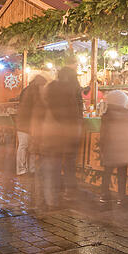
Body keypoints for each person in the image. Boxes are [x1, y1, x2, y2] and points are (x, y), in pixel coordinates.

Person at [42, 66, 84, 207]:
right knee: (69, 163)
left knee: (55, 164)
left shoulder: (51, 87)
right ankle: (68, 192)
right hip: (70, 131)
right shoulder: (73, 89)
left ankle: (52, 196)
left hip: (54, 132)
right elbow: (76, 112)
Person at [99, 90, 128, 204]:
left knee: (107, 171)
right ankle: (121, 197)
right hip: (122, 148)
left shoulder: (105, 116)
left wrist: (102, 148)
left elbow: (103, 134)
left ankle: (104, 194)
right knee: (122, 173)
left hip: (108, 148)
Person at [16, 75, 46, 176]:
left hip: (24, 122)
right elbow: (37, 109)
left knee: (26, 146)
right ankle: (26, 169)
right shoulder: (34, 92)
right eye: (43, 85)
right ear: (39, 84)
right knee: (26, 146)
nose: (43, 87)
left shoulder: (27, 90)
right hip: (26, 123)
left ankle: (25, 169)